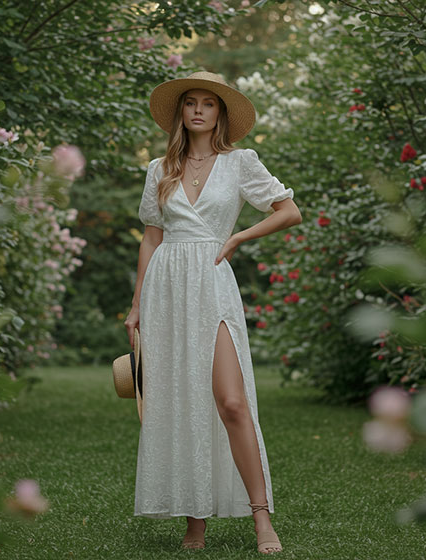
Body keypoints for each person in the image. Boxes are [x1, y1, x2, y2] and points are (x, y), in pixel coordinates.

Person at [124, 71, 301, 555]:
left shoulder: (241, 162)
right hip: (166, 289)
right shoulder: (160, 168)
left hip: (213, 279)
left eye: (209, 103)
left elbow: (289, 211)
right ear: (181, 112)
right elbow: (151, 238)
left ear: (220, 113)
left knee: (232, 401)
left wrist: (239, 236)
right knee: (182, 401)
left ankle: (261, 517)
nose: (199, 110)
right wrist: (137, 305)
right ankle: (195, 522)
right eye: (191, 103)